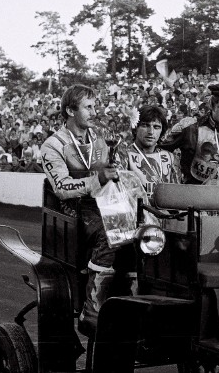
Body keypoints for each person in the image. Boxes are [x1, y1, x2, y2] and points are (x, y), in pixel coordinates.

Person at [40, 84, 129, 338]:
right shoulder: (53, 145)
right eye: (88, 107)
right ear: (70, 110)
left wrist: (115, 174)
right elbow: (61, 188)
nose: (94, 111)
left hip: (102, 204)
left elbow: (112, 176)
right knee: (112, 231)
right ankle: (92, 309)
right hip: (74, 210)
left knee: (145, 228)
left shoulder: (99, 138)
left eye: (94, 106)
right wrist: (97, 180)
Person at [161, 83, 219, 185]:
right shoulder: (190, 128)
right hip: (193, 194)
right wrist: (174, 173)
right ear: (212, 106)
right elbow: (161, 150)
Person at [117, 105, 180, 199]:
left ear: (162, 131)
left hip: (166, 211)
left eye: (156, 127)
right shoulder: (124, 155)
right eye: (145, 125)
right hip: (137, 211)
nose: (151, 132)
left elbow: (177, 195)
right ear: (135, 128)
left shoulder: (170, 157)